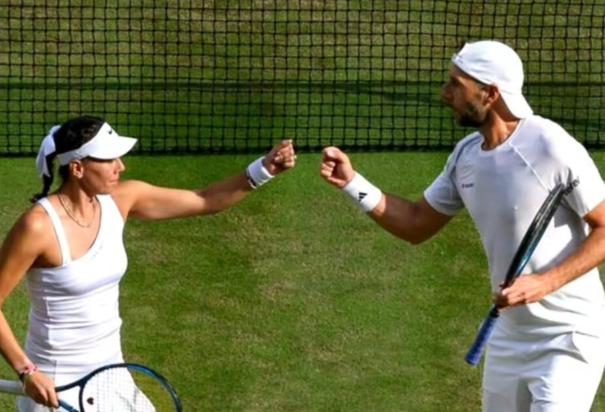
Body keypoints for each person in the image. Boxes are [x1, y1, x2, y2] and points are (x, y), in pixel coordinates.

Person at [320, 40, 605, 411]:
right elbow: (416, 224)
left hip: (568, 338)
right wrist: (352, 183)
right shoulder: (465, 156)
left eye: (456, 84)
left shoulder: (550, 146)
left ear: (489, 94)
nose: (445, 94)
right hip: (509, 338)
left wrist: (543, 283)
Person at [0, 115, 296, 411]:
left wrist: (264, 169)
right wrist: (27, 371)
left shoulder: (122, 199)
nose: (121, 167)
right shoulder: (38, 227)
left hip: (111, 374)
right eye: (109, 159)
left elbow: (204, 199)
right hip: (55, 384)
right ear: (78, 168)